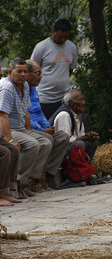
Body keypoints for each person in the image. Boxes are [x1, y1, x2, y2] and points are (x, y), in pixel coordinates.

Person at [0, 58, 57, 197]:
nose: (23, 74)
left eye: (25, 71)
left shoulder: (25, 86)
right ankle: (18, 182)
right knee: (32, 144)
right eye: (19, 71)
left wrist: (29, 131)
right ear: (10, 72)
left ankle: (31, 179)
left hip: (21, 128)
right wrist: (10, 140)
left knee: (46, 141)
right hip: (9, 129)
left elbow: (26, 112)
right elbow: (2, 116)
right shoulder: (7, 88)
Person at [26, 60, 69, 188]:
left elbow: (38, 112)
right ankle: (34, 178)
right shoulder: (18, 89)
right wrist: (42, 130)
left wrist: (47, 127)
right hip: (25, 128)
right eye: (38, 73)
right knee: (47, 139)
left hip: (38, 127)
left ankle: (48, 172)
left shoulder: (33, 90)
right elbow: (24, 116)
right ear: (28, 74)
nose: (41, 76)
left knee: (62, 136)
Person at [30, 19, 79, 119]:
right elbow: (32, 70)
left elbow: (70, 70)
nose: (63, 40)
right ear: (54, 31)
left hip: (63, 98)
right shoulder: (41, 47)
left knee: (62, 129)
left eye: (66, 37)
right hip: (43, 98)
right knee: (45, 130)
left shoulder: (72, 47)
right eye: (60, 36)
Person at [50, 90, 100, 162]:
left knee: (93, 142)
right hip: (60, 151)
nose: (84, 102)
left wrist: (88, 136)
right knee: (79, 144)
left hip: (72, 145)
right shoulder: (64, 115)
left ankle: (87, 167)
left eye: (83, 99)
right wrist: (84, 138)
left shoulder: (79, 114)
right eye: (80, 100)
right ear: (71, 103)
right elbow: (65, 141)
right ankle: (76, 170)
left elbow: (80, 135)